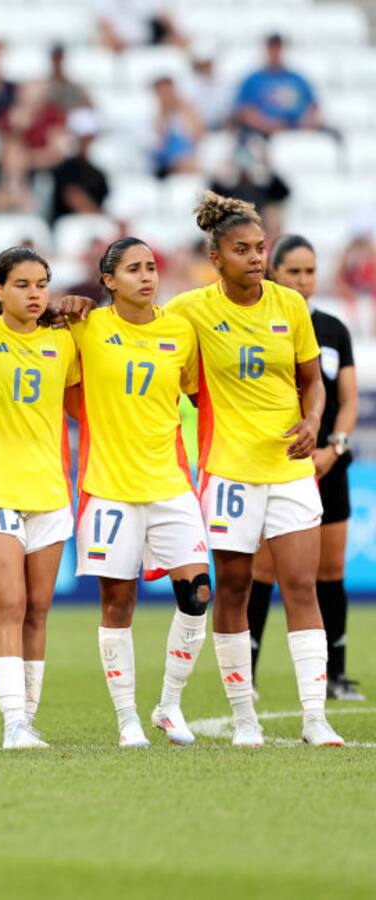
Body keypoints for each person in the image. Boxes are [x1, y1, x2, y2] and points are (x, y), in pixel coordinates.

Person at [165, 192, 343, 747]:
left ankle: (315, 716)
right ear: (215, 257)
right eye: (241, 249)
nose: (255, 257)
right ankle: (245, 717)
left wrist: (312, 421)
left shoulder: (289, 305)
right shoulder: (189, 310)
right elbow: (148, 347)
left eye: (260, 247)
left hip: (289, 467)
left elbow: (312, 381)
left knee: (301, 586)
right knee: (235, 587)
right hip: (229, 471)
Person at [68, 238, 213, 747]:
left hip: (170, 483)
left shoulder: (180, 331)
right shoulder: (86, 326)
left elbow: (196, 393)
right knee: (118, 600)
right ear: (109, 280)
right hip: (108, 487)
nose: (147, 276)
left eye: (151, 267)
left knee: (197, 593)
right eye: (133, 269)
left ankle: (169, 705)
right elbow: (65, 388)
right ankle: (127, 716)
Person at [0, 248, 79, 749]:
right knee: (10, 603)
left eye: (41, 284)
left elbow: (81, 404)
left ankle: (29, 717)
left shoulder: (64, 342)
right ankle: (13, 724)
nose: (34, 294)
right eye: (22, 284)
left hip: (50, 492)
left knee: (38, 610)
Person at [249, 235, 362, 701]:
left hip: (328, 463)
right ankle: (246, 676)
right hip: (277, 461)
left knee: (330, 570)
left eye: (310, 271)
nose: (302, 279)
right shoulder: (259, 322)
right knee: (262, 570)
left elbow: (348, 401)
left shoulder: (333, 329)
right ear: (273, 272)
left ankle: (336, 675)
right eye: (293, 271)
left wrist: (334, 448)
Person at [234, 34, 322, 138]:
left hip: (297, 132)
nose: (275, 53)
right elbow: (244, 111)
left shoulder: (298, 79)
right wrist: (267, 125)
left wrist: (305, 124)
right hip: (263, 135)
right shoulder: (252, 80)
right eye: (272, 48)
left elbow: (313, 106)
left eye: (278, 48)